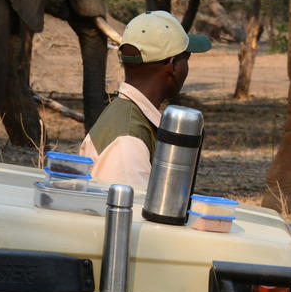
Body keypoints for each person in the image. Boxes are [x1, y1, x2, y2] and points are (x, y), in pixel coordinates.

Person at [80, 10, 211, 189]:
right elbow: (129, 206)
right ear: (173, 65)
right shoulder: (128, 142)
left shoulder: (127, 116)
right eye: (186, 58)